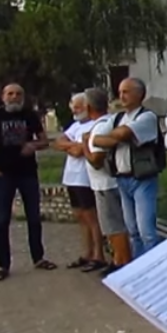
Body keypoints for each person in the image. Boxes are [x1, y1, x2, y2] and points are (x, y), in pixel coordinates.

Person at [0, 83, 57, 282]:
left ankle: (38, 257)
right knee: (2, 220)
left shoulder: (30, 116)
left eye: (18, 94)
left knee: (34, 217)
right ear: (3, 97)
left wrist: (33, 145)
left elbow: (44, 141)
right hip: (4, 175)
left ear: (23, 97)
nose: (14, 97)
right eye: (10, 94)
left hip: (27, 173)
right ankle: (3, 265)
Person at [92, 77, 164, 258]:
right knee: (132, 230)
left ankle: (153, 265)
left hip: (142, 178)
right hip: (122, 178)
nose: (121, 96)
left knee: (146, 230)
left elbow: (124, 133)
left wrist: (116, 136)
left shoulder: (146, 117)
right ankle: (139, 265)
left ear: (139, 94)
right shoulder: (118, 118)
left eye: (126, 92)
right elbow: (96, 139)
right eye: (120, 92)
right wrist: (117, 137)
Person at [81, 87, 133, 276]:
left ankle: (122, 262)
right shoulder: (105, 123)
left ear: (89, 106)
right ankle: (118, 259)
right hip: (104, 184)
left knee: (114, 225)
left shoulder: (101, 127)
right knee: (110, 225)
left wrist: (85, 145)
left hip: (106, 184)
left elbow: (96, 160)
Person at [53, 92, 107, 273]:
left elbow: (79, 151)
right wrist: (73, 146)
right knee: (80, 216)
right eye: (73, 107)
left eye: (78, 107)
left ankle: (99, 255)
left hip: (86, 178)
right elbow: (58, 142)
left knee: (91, 217)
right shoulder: (76, 126)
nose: (74, 111)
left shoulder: (95, 125)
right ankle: (87, 253)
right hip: (71, 177)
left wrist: (72, 147)